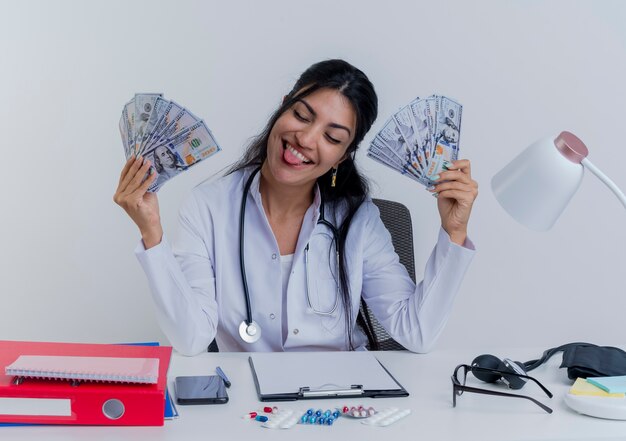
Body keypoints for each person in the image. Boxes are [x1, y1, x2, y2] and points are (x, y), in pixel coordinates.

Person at [114, 59, 478, 356]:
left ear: (342, 157)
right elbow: (192, 340)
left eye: (332, 137)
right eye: (302, 116)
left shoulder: (359, 219)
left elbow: (415, 332)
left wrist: (454, 233)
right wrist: (152, 235)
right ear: (283, 106)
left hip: (342, 401)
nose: (305, 139)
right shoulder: (208, 206)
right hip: (250, 407)